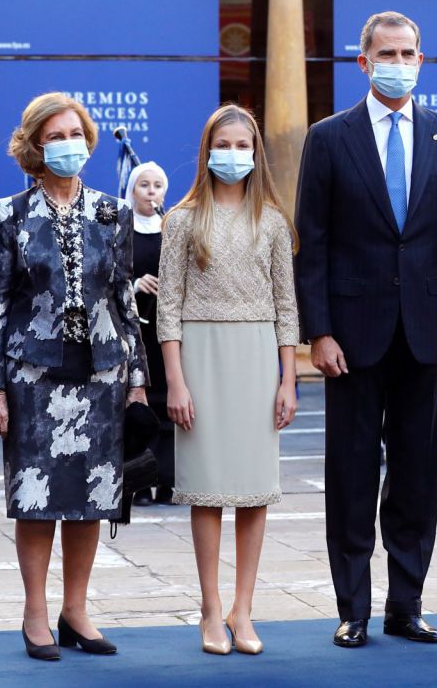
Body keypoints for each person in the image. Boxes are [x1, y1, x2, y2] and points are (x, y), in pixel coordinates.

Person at [295, 11, 437, 649]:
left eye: (408, 52)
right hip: (351, 335)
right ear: (362, 62)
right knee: (349, 473)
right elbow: (310, 244)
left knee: (417, 472)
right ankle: (354, 608)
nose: (398, 61)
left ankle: (407, 603)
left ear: (421, 61)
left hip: (427, 334)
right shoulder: (329, 138)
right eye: (386, 52)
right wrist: (317, 330)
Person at [0, 92, 148, 662]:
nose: (69, 145)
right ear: (34, 145)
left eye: (76, 134)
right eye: (56, 136)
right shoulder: (8, 216)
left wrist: (139, 378)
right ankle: (33, 613)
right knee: (38, 497)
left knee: (93, 496)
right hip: (33, 375)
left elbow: (125, 300)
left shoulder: (112, 213)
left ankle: (76, 611)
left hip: (102, 371)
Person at [156, 104, 299, 656]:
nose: (233, 155)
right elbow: (168, 305)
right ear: (206, 150)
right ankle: (210, 608)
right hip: (201, 357)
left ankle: (244, 610)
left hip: (259, 355)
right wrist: (176, 381)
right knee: (208, 491)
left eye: (243, 146)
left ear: (256, 152)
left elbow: (287, 307)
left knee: (254, 492)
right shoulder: (181, 220)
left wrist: (288, 379)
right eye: (224, 145)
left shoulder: (273, 221)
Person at [125, 161, 174, 507]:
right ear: (132, 190)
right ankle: (140, 482)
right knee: (139, 405)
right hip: (134, 331)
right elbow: (105, 282)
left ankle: (168, 480)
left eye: (157, 185)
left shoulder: (173, 229)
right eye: (144, 185)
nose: (151, 191)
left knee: (170, 404)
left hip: (167, 332)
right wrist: (135, 286)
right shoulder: (120, 230)